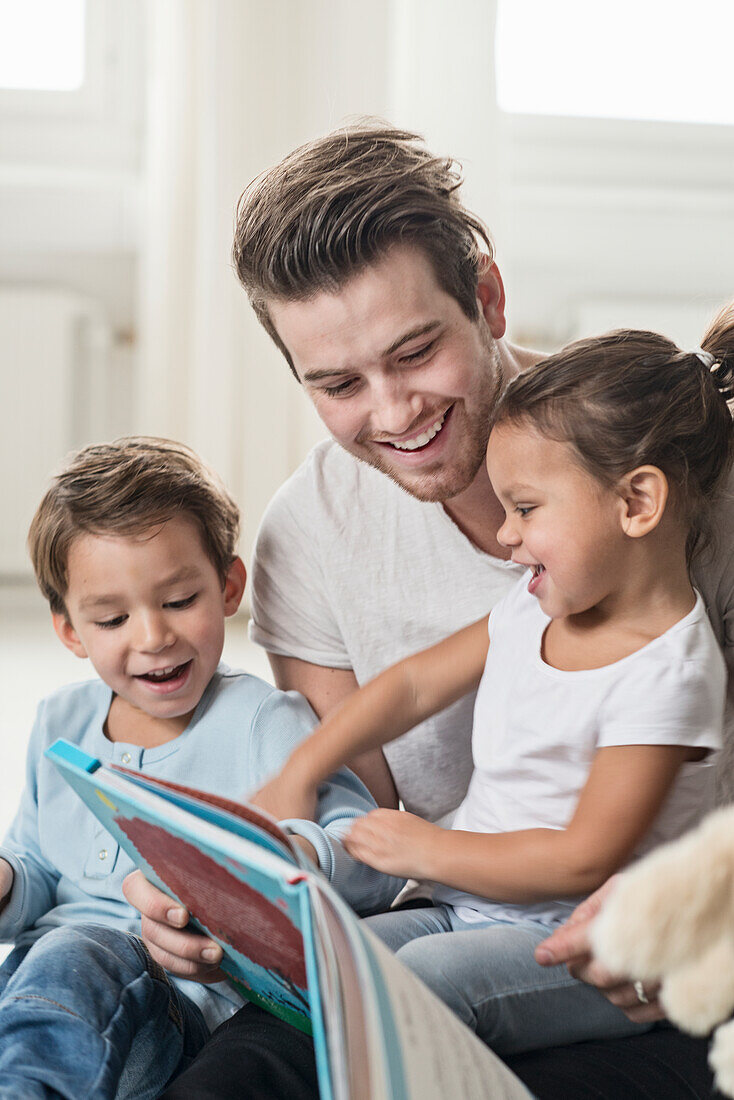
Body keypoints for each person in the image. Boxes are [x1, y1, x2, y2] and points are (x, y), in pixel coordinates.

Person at [127, 124, 732, 1098]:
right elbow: (360, 811)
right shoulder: (311, 536)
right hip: (456, 908)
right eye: (336, 383)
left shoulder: (673, 475)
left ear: (485, 298)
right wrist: (228, 884)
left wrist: (706, 903)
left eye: (414, 352)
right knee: (231, 1075)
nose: (393, 410)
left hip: (656, 961)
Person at [254, 317, 733, 1054]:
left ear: (637, 503)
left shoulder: (667, 675)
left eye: (527, 508)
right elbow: (412, 685)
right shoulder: (531, 606)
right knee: (325, 963)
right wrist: (303, 769)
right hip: (466, 907)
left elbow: (583, 858)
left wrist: (426, 852)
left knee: (418, 984)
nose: (505, 536)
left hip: (575, 947)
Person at [0, 437, 402, 1099]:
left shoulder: (263, 720)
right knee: (51, 970)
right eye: (111, 618)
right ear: (71, 631)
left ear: (228, 588)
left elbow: (370, 857)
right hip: (37, 1005)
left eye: (179, 601)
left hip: (167, 1018)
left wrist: (288, 851)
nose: (153, 636)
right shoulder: (59, 721)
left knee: (79, 955)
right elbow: (36, 866)